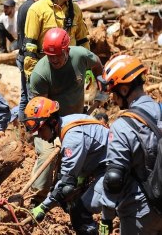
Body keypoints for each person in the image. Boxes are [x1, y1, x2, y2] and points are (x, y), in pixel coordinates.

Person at [29, 27, 106, 199]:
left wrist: (101, 86)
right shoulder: (40, 75)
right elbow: (39, 110)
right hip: (49, 123)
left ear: (67, 50)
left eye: (58, 55)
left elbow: (98, 66)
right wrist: (55, 134)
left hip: (77, 121)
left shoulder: (80, 55)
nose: (54, 60)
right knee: (49, 155)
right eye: (50, 56)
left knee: (88, 150)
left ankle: (76, 192)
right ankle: (37, 197)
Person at [22, 96, 109, 234]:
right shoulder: (70, 121)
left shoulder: (72, 138)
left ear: (52, 121)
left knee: (79, 212)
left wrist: (43, 207)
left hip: (114, 170)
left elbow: (65, 185)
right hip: (103, 166)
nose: (39, 135)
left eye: (41, 129)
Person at [97, 55, 162, 234]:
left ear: (124, 90)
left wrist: (106, 218)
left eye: (114, 92)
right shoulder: (160, 109)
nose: (113, 99)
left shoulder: (122, 126)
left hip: (141, 211)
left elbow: (114, 178)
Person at [23, 0, 90, 82]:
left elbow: (82, 41)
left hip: (70, 74)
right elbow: (30, 47)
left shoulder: (75, 10)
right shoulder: (36, 10)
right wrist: (33, 75)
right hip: (46, 74)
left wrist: (87, 67)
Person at [16, 0, 50, 120]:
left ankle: (24, 127)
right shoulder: (33, 8)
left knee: (25, 95)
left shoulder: (24, 6)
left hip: (23, 55)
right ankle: (31, 127)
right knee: (32, 96)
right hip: (28, 57)